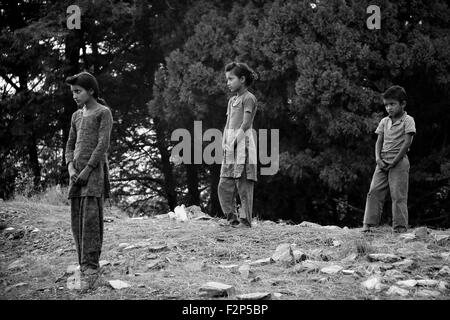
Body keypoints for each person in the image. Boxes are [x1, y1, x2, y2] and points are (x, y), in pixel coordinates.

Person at [65, 71, 113, 289]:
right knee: (77, 222)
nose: (75, 95)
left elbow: (102, 145)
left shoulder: (103, 113)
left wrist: (87, 170)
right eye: (73, 92)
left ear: (91, 90)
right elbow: (69, 145)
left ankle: (91, 266)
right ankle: (82, 265)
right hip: (76, 177)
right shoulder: (76, 116)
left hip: (93, 177)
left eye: (78, 91)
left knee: (91, 221)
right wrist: (70, 168)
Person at [362, 85, 416, 233]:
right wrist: (378, 159)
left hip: (399, 162)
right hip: (382, 162)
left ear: (402, 104)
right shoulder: (385, 121)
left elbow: (407, 143)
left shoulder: (408, 120)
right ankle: (369, 225)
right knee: (374, 191)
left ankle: (399, 228)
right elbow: (379, 141)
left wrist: (395, 161)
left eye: (392, 104)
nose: (389, 108)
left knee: (398, 195)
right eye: (386, 105)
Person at [218, 62, 258, 228]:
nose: (228, 82)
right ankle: (231, 219)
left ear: (242, 79)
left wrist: (234, 143)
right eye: (227, 79)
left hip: (243, 147)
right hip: (230, 148)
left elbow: (246, 124)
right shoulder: (232, 100)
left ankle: (245, 221)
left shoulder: (249, 98)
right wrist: (224, 141)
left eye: (231, 79)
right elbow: (229, 123)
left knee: (243, 186)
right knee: (224, 185)